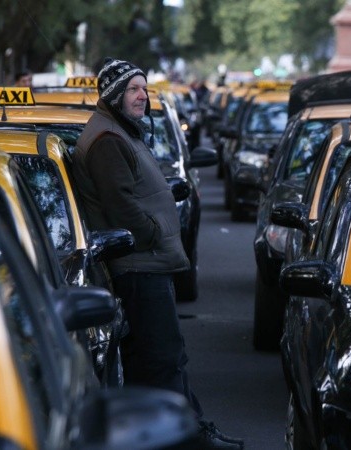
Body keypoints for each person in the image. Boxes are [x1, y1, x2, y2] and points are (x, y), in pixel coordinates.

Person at [72, 57, 244, 450]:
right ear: (114, 96)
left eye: (144, 88)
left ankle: (191, 428)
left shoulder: (120, 132)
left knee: (166, 355)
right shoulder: (106, 140)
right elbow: (121, 202)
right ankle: (186, 438)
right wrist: (151, 232)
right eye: (133, 89)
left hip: (148, 263)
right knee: (162, 357)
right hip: (139, 265)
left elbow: (134, 188)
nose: (142, 96)